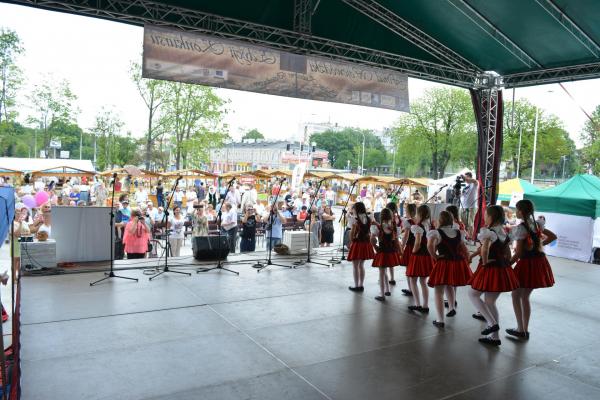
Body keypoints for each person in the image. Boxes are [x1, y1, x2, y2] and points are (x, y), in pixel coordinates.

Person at [468, 205, 519, 346]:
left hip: (490, 268)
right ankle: (495, 337)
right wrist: (504, 263)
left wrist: (484, 262)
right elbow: (508, 253)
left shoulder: (489, 232)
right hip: (502, 268)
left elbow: (484, 249)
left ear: (490, 216)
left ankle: (492, 323)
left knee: (472, 294)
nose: (484, 217)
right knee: (490, 302)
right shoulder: (504, 232)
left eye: (485, 214)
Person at [507, 199, 557, 340]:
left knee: (516, 295)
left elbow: (518, 253)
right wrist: (539, 244)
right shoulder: (536, 224)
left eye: (516, 209)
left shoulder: (522, 228)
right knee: (524, 296)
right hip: (539, 262)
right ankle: (524, 329)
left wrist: (508, 265)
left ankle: (520, 329)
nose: (515, 212)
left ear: (521, 211)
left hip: (528, 263)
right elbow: (553, 236)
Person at [426, 211, 472, 328]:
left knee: (438, 291)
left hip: (444, 262)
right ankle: (451, 307)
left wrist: (435, 256)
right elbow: (463, 248)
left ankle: (440, 319)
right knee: (450, 285)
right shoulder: (457, 232)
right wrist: (467, 260)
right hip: (456, 262)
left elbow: (430, 246)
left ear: (440, 221)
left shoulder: (437, 233)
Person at [406, 205, 433, 313]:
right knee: (423, 281)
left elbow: (417, 243)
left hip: (419, 255)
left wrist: (413, 252)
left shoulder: (418, 226)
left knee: (413, 280)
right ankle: (425, 305)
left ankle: (417, 304)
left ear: (420, 214)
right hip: (426, 255)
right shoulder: (429, 224)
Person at [371, 208, 402, 301]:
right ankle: (387, 290)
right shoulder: (394, 226)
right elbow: (396, 240)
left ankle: (382, 294)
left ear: (381, 216)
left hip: (382, 252)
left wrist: (375, 247)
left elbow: (372, 240)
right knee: (384, 271)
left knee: (382, 272)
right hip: (391, 251)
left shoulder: (379, 227)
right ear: (391, 216)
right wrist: (400, 250)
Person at [347, 202, 375, 292]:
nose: (353, 210)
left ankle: (356, 285)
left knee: (355, 265)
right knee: (361, 265)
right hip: (366, 243)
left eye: (354, 208)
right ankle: (361, 285)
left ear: (357, 209)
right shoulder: (368, 218)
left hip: (358, 243)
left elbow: (352, 233)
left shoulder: (355, 219)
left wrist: (351, 242)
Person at [399, 203, 417, 297]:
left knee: (409, 268)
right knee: (415, 268)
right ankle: (414, 288)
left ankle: (411, 289)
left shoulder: (408, 222)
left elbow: (406, 236)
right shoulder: (419, 221)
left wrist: (402, 246)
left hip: (410, 246)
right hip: (418, 246)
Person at [385, 202, 401, 286]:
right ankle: (392, 278)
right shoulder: (397, 218)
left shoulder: (388, 219)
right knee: (391, 262)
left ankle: (384, 277)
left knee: (385, 261)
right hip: (394, 241)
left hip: (387, 241)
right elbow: (398, 232)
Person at [459, 172, 479, 240]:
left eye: (466, 177)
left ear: (470, 177)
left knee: (470, 223)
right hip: (463, 206)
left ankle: (470, 237)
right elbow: (462, 196)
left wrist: (464, 177)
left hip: (472, 206)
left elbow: (471, 180)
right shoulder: (464, 186)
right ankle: (464, 237)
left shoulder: (474, 183)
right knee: (463, 223)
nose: (465, 179)